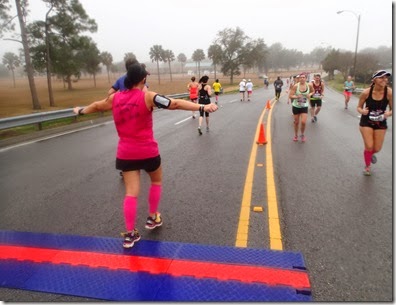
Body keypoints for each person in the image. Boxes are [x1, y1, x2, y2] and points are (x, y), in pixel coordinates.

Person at [73, 63, 218, 248]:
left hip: (125, 153)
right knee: (156, 182)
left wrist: (80, 111)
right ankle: (152, 218)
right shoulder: (148, 96)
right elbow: (174, 103)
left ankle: (129, 235)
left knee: (131, 193)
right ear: (143, 79)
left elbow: (96, 105)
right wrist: (202, 108)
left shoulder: (115, 97)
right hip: (148, 151)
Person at [357, 70, 392, 176]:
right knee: (369, 145)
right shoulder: (366, 93)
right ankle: (367, 166)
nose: (384, 79)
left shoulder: (389, 92)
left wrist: (388, 113)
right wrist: (362, 111)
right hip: (366, 121)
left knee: (377, 148)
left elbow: (392, 109)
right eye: (381, 77)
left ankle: (369, 154)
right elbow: (358, 107)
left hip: (380, 122)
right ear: (374, 79)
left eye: (386, 77)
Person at [288, 72, 313, 142]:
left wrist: (310, 94)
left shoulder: (309, 85)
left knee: (303, 122)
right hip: (296, 106)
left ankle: (302, 134)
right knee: (296, 122)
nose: (302, 79)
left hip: (304, 106)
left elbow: (313, 91)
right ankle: (296, 135)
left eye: (303, 77)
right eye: (301, 77)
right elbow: (290, 95)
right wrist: (296, 96)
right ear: (299, 79)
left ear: (306, 78)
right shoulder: (296, 86)